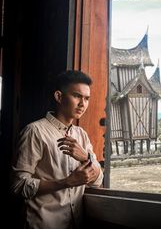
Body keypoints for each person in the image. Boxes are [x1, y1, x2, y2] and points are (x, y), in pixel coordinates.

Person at [10, 70, 103, 229]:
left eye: (87, 98)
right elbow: (18, 186)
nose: (83, 104)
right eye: (77, 96)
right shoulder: (35, 132)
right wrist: (66, 182)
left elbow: (98, 180)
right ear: (59, 96)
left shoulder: (81, 135)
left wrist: (85, 157)